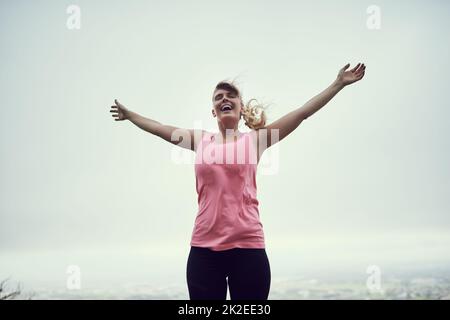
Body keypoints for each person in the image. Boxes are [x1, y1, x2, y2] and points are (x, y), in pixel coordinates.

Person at [109, 63, 366, 300]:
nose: (224, 99)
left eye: (231, 95)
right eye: (218, 97)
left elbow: (302, 114)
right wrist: (131, 115)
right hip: (204, 250)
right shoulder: (200, 140)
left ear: (241, 107)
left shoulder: (256, 140)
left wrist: (337, 84)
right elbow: (159, 127)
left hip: (248, 248)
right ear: (213, 110)